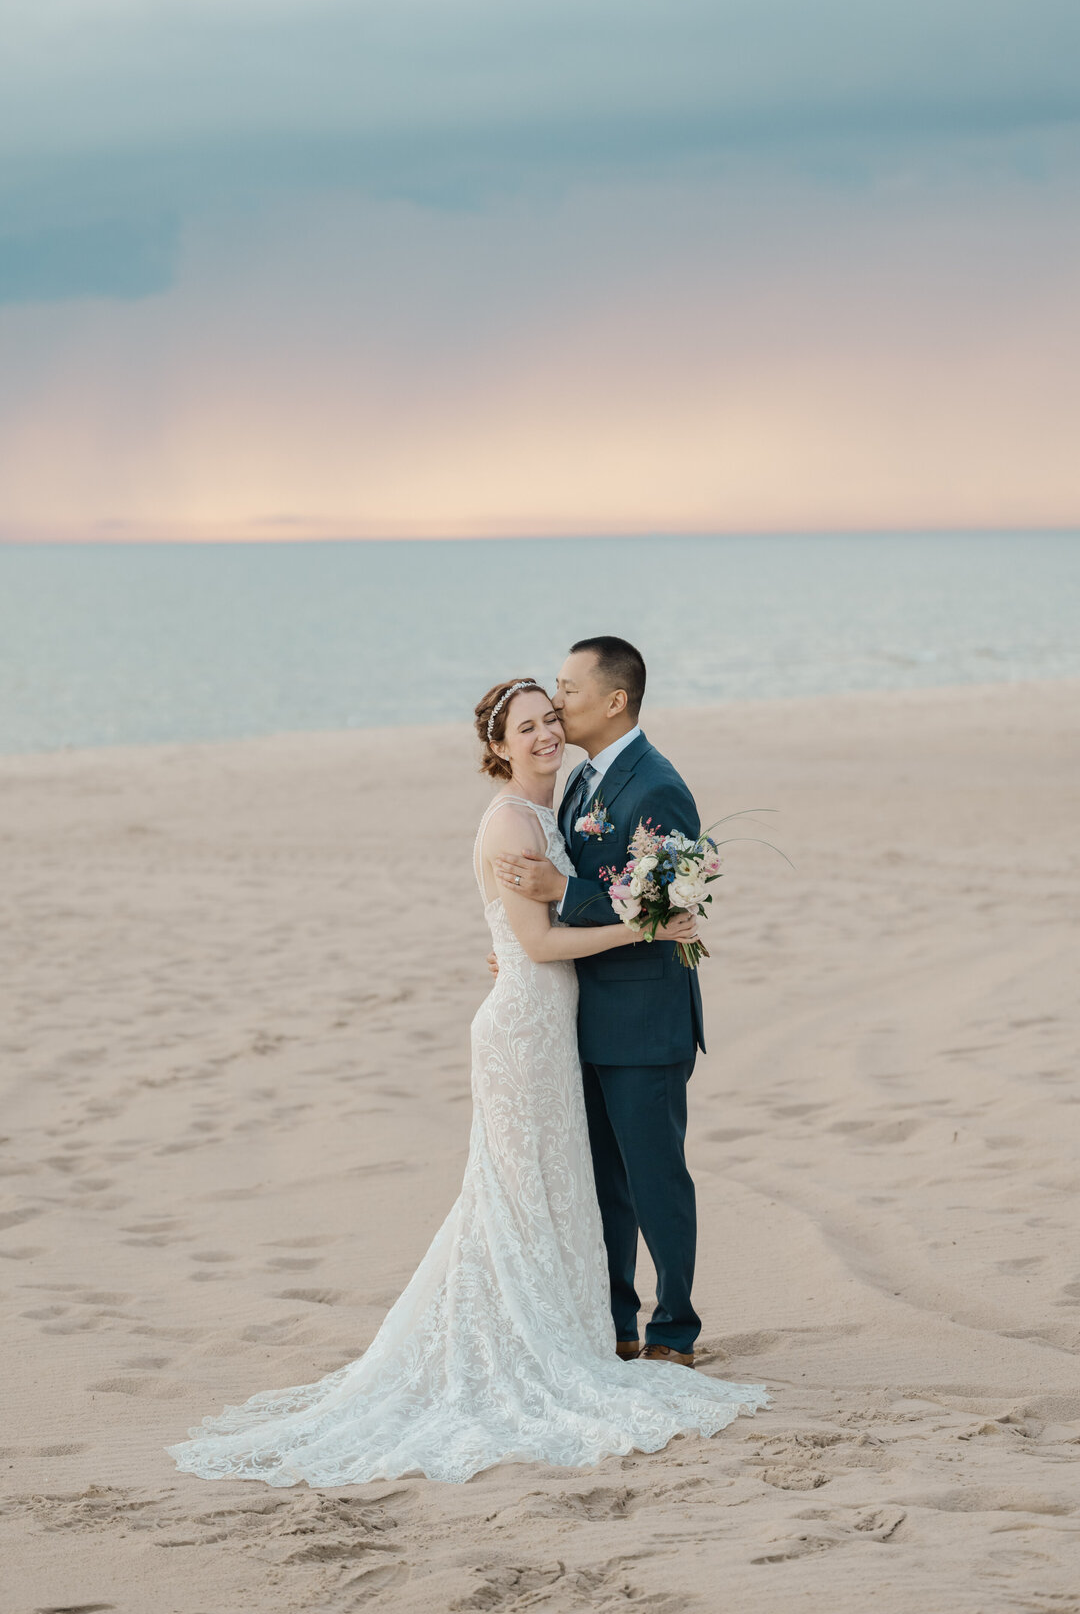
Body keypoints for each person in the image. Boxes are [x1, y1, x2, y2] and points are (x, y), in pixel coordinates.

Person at [167, 677, 765, 1489]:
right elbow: (542, 939)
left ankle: (628, 1329)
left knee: (566, 1187)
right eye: (529, 726)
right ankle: (554, 1337)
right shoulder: (515, 821)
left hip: (563, 1022)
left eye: (554, 716)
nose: (548, 731)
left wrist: (538, 935)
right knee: (519, 1194)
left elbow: (544, 923)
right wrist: (637, 925)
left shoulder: (569, 803)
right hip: (527, 1028)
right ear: (498, 746)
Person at [492, 638, 708, 1366]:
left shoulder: (656, 785)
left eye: (568, 690)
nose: (557, 706)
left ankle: (674, 1330)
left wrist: (561, 895)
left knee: (656, 1182)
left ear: (615, 701)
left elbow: (665, 900)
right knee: (603, 1186)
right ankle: (616, 1322)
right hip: (580, 1013)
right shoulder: (581, 782)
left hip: (645, 1023)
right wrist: (526, 942)